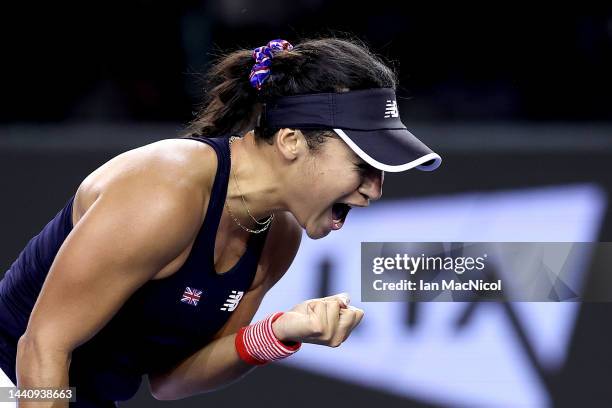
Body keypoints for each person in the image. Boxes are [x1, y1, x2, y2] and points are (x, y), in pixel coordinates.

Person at [0, 37, 442, 407]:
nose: (375, 189)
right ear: (291, 141)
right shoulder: (166, 190)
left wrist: (278, 332)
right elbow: (42, 345)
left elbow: (170, 380)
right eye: (363, 163)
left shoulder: (276, 237)